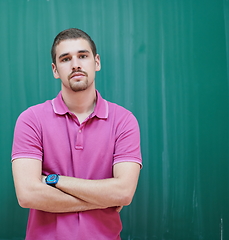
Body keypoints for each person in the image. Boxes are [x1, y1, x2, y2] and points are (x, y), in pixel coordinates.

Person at [11, 28, 142, 240]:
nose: (75, 64)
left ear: (96, 62)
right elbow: (27, 195)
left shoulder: (124, 121)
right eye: (65, 59)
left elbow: (124, 193)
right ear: (55, 70)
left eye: (83, 56)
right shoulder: (30, 120)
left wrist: (54, 180)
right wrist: (104, 198)